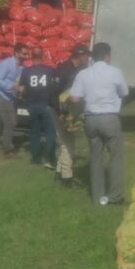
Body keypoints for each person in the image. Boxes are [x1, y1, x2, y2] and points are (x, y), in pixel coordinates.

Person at [69, 42, 129, 206]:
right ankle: (115, 196)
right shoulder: (115, 72)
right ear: (107, 56)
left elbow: (74, 98)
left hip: (91, 119)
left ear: (92, 57)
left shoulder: (83, 74)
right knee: (115, 157)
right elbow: (124, 92)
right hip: (109, 118)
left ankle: (97, 197)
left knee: (95, 158)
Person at [53, 45, 91, 187]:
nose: (88, 58)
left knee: (67, 142)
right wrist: (60, 112)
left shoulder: (82, 70)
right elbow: (54, 93)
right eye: (86, 55)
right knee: (68, 144)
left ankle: (59, 172)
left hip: (73, 111)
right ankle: (66, 177)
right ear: (79, 55)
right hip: (62, 112)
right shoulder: (63, 69)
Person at [19, 47, 57, 168]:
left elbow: (22, 90)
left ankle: (35, 158)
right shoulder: (49, 70)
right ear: (42, 56)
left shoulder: (26, 71)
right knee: (50, 131)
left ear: (31, 56)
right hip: (46, 104)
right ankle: (50, 157)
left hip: (32, 105)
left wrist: (25, 95)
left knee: (34, 132)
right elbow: (53, 88)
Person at [0, 43, 27, 155]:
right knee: (10, 123)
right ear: (16, 53)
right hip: (1, 96)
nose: (26, 56)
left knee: (12, 122)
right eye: (24, 53)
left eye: (27, 54)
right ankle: (8, 148)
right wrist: (12, 86)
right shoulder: (5, 63)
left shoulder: (22, 67)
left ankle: (2, 139)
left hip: (11, 98)